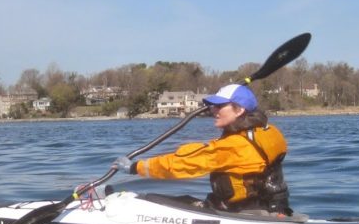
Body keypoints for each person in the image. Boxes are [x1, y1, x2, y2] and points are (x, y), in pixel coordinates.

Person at [114, 83, 293, 214]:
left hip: (243, 214)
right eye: (213, 106)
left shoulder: (236, 146)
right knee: (181, 200)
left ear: (239, 110)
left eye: (219, 106)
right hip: (266, 208)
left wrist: (135, 167)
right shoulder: (264, 131)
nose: (213, 111)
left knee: (150, 201)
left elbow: (185, 163)